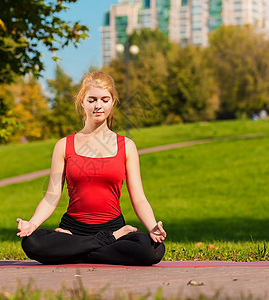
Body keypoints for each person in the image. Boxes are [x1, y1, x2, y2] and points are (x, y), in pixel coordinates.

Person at [16, 71, 166, 266]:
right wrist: (32, 224)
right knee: (32, 242)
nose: (98, 106)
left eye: (104, 100)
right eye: (92, 99)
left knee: (153, 250)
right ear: (82, 102)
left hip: (111, 227)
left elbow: (138, 198)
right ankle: (104, 243)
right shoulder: (64, 145)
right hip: (74, 229)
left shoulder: (127, 146)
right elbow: (51, 197)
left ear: (113, 103)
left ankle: (74, 251)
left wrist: (153, 226)